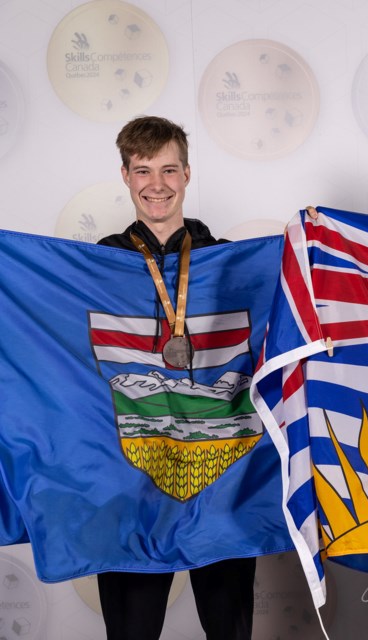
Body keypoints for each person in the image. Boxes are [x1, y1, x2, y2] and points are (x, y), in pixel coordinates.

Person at [96, 115, 255, 640]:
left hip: (221, 473)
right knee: (132, 632)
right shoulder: (96, 266)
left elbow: (293, 306)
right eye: (143, 171)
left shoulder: (230, 261)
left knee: (229, 631)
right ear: (125, 175)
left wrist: (344, 248)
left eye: (168, 170)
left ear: (187, 173)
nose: (157, 185)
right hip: (131, 477)